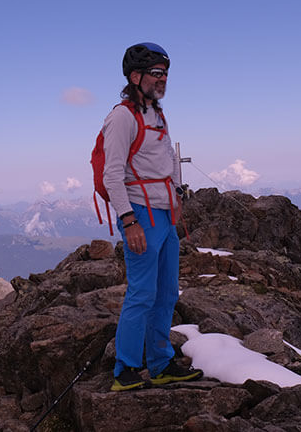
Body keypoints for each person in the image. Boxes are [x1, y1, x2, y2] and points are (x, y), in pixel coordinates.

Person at [100, 42, 203, 391]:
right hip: (140, 212)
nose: (163, 80)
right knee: (142, 292)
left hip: (164, 212)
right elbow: (111, 175)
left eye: (165, 74)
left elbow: (167, 162)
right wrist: (129, 221)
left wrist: (175, 197)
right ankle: (125, 369)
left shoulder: (157, 115)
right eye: (156, 74)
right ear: (135, 76)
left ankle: (161, 363)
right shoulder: (122, 117)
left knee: (167, 292)